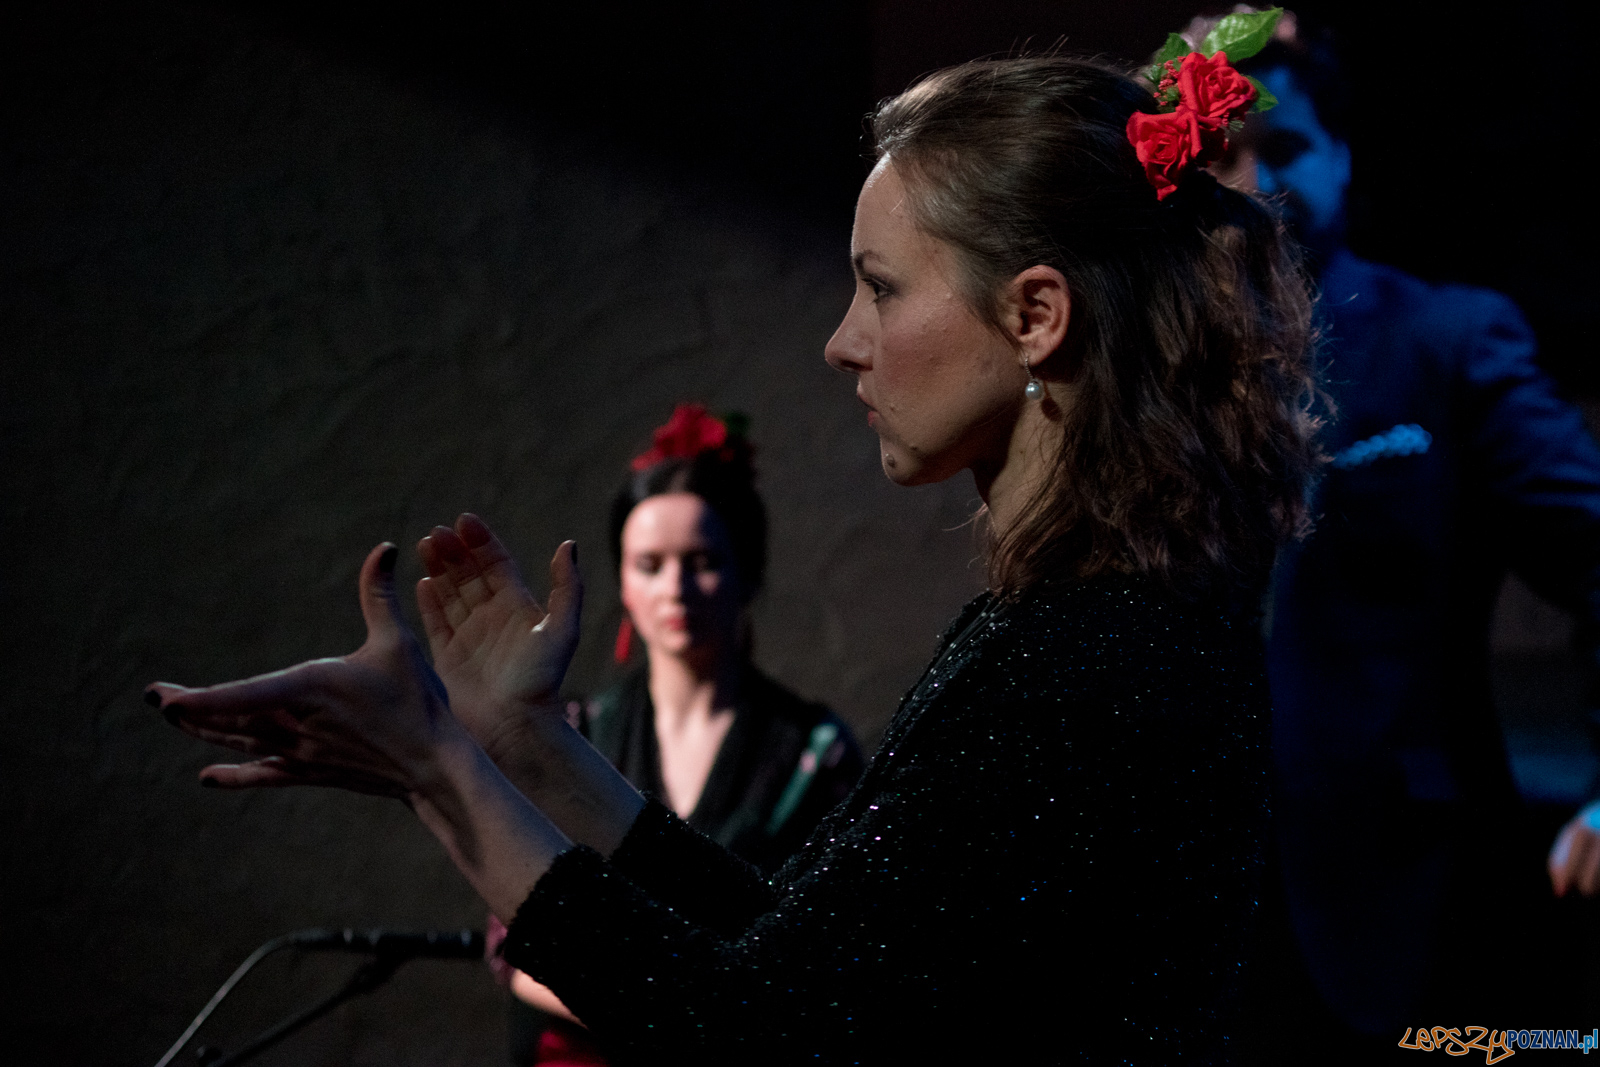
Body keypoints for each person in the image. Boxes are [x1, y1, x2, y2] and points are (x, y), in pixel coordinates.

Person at [150, 48, 1321, 1062]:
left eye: (879, 289)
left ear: (1034, 315)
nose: (840, 342)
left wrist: (441, 773)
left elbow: (758, 1033)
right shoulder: (1093, 629)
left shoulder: (1083, 660)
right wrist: (528, 749)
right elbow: (805, 961)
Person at [1210, 13, 1600, 1052]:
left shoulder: (1446, 339)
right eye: (1221, 154)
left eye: (1284, 145)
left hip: (1414, 901)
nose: (1251, 180)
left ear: (1341, 153)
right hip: (1203, 911)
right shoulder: (1155, 374)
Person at [478, 403, 862, 1064]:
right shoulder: (576, 734)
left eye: (702, 559)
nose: (676, 587)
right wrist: (657, 1012)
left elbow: (827, 953)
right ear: (623, 582)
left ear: (748, 571)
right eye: (650, 563)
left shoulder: (813, 752)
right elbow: (510, 936)